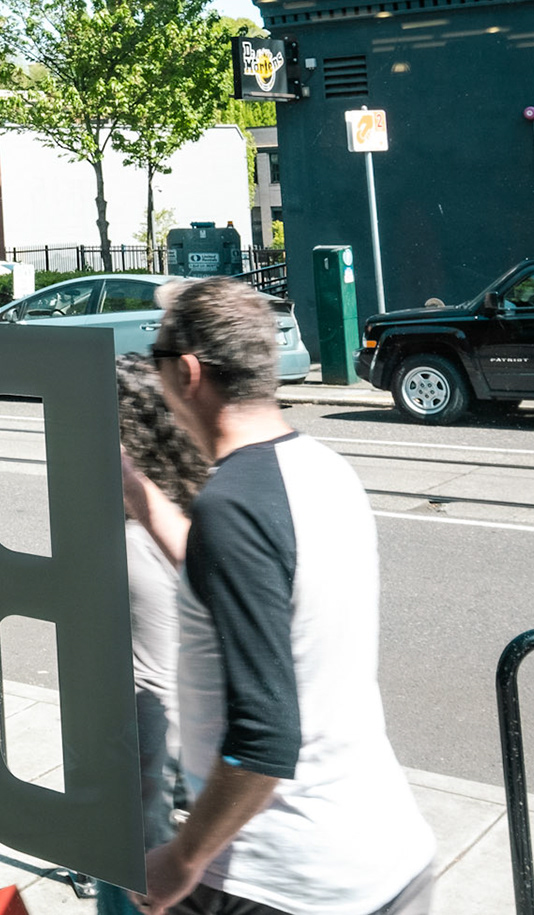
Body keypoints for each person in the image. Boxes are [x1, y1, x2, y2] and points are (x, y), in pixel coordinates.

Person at [124, 278, 435, 915]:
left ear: (187, 373)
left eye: (157, 362)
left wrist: (183, 859)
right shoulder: (318, 469)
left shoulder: (231, 507)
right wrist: (138, 492)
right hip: (385, 852)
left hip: (280, 881)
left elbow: (265, 738)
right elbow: (235, 582)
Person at [96, 356, 212, 915]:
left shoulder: (127, 545)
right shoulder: (194, 510)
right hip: (192, 755)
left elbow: (148, 687)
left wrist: (140, 841)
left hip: (144, 787)